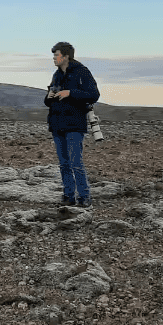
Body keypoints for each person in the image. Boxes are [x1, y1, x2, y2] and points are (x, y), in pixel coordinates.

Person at [44, 42, 100, 208]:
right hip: (57, 123)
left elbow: (94, 94)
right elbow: (48, 101)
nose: (54, 58)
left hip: (75, 124)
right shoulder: (56, 75)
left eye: (56, 55)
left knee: (76, 162)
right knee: (64, 164)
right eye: (54, 55)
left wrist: (70, 93)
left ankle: (84, 197)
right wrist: (50, 96)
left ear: (66, 56)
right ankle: (68, 196)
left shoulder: (82, 72)